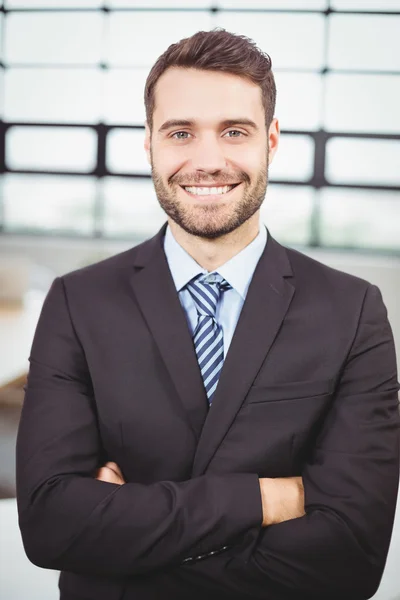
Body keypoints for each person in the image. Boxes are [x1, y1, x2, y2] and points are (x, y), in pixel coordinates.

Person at [16, 29, 399, 600]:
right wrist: (267, 499)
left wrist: (119, 541)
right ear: (149, 142)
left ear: (271, 140)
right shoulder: (79, 302)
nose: (208, 161)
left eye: (235, 132)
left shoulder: (353, 311)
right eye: (180, 133)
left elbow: (351, 557)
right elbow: (50, 526)